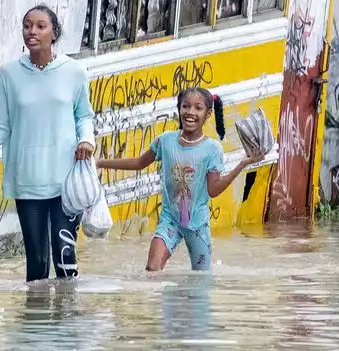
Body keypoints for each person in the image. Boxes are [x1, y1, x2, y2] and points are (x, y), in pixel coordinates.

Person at [0, 5, 95, 281]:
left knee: (65, 258)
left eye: (40, 26)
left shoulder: (74, 72)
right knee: (36, 261)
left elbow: (84, 116)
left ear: (54, 33)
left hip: (65, 180)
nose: (32, 31)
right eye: (27, 25)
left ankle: (67, 322)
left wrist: (87, 140)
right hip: (27, 179)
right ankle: (36, 322)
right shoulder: (10, 74)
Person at [98, 88, 260, 272]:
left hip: (197, 225)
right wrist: (100, 163)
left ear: (207, 114)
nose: (190, 112)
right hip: (170, 220)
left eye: (197, 108)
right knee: (152, 269)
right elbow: (139, 162)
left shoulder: (212, 149)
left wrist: (241, 165)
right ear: (179, 109)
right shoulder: (165, 141)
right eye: (186, 106)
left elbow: (213, 190)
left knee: (200, 281)